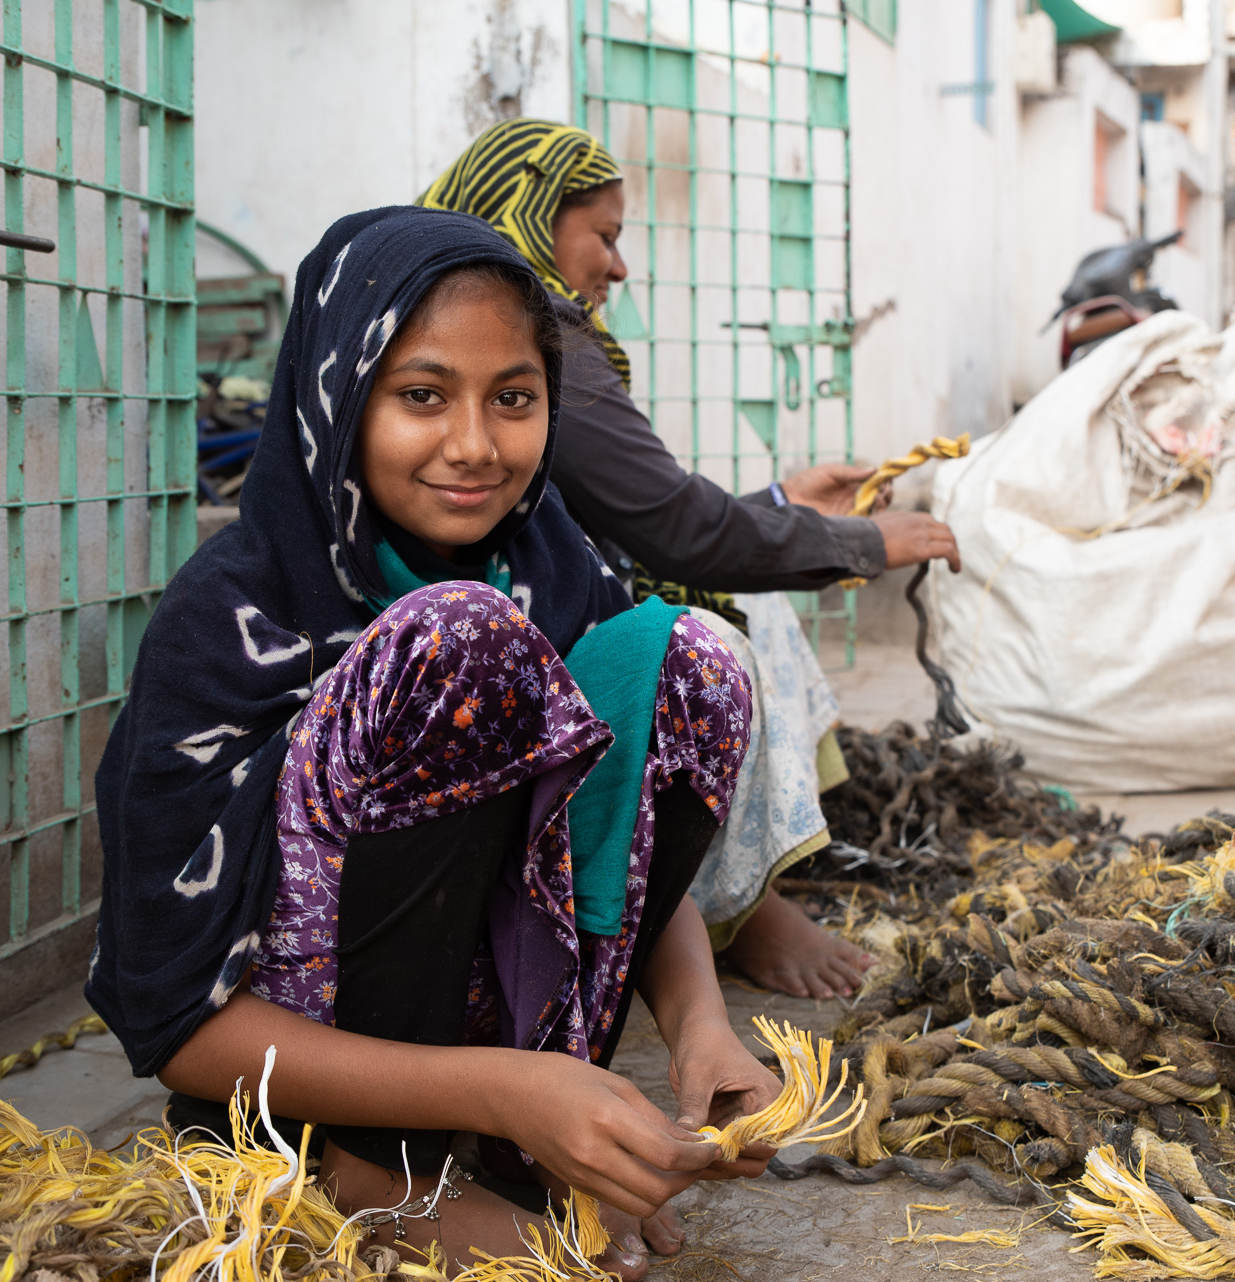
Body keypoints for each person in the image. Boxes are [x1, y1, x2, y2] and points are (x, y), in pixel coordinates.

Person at [88, 207, 780, 1279]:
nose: (474, 445)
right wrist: (498, 1085)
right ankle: (372, 1174)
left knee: (685, 661)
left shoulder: (552, 563)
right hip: (289, 1072)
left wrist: (699, 1024)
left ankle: (533, 1135)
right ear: (337, 394)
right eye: (421, 395)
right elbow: (177, 1026)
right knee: (459, 642)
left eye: (514, 398)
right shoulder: (230, 618)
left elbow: (618, 824)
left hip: (495, 1056)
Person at [421, 119, 961, 1000]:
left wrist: (786, 508)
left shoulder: (515, 322)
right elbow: (669, 529)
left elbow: (628, 521)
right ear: (530, 213)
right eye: (604, 235)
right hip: (494, 632)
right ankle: (732, 906)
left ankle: (752, 889)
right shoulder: (528, 328)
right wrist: (859, 543)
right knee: (714, 626)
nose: (618, 267)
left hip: (532, 593)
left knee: (746, 593)